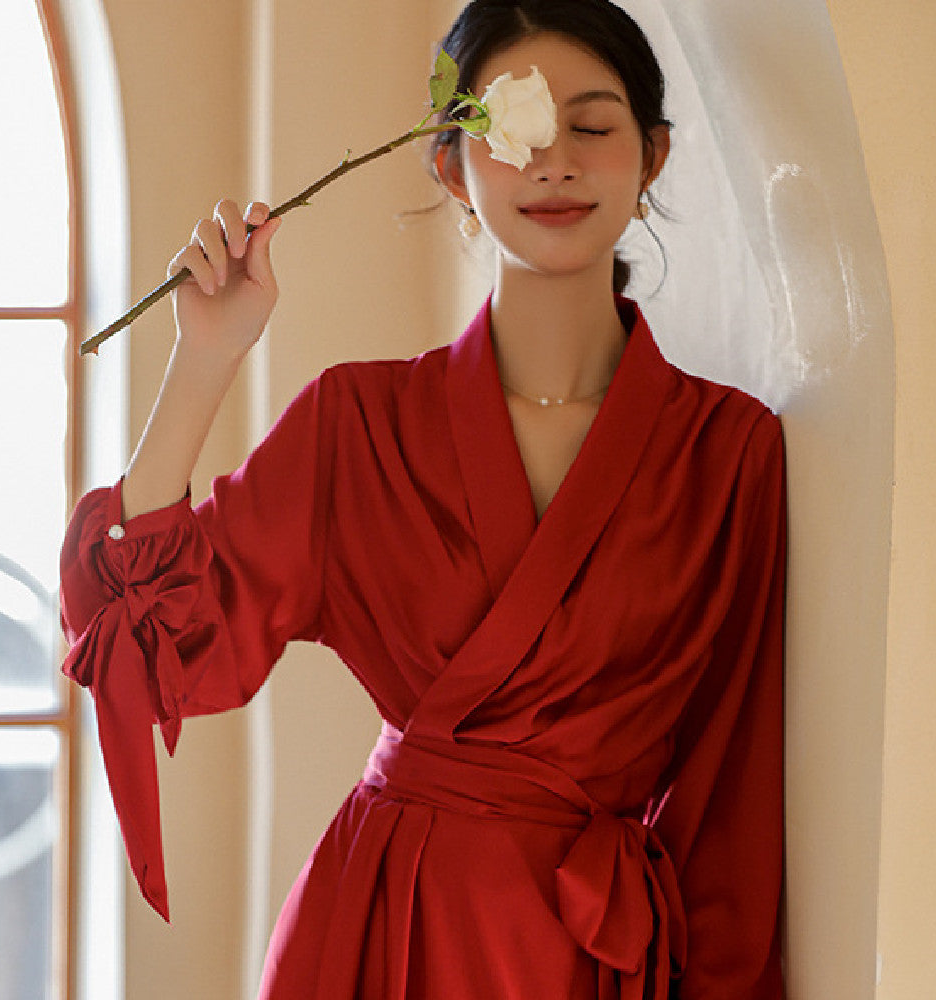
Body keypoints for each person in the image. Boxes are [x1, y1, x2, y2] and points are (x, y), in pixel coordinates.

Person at [60, 1, 786, 997]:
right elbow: (147, 642)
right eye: (515, 130)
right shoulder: (357, 424)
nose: (554, 161)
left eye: (594, 125)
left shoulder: (726, 454)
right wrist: (205, 359)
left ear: (652, 155)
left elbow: (729, 798)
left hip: (591, 954)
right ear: (447, 163)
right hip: (376, 937)